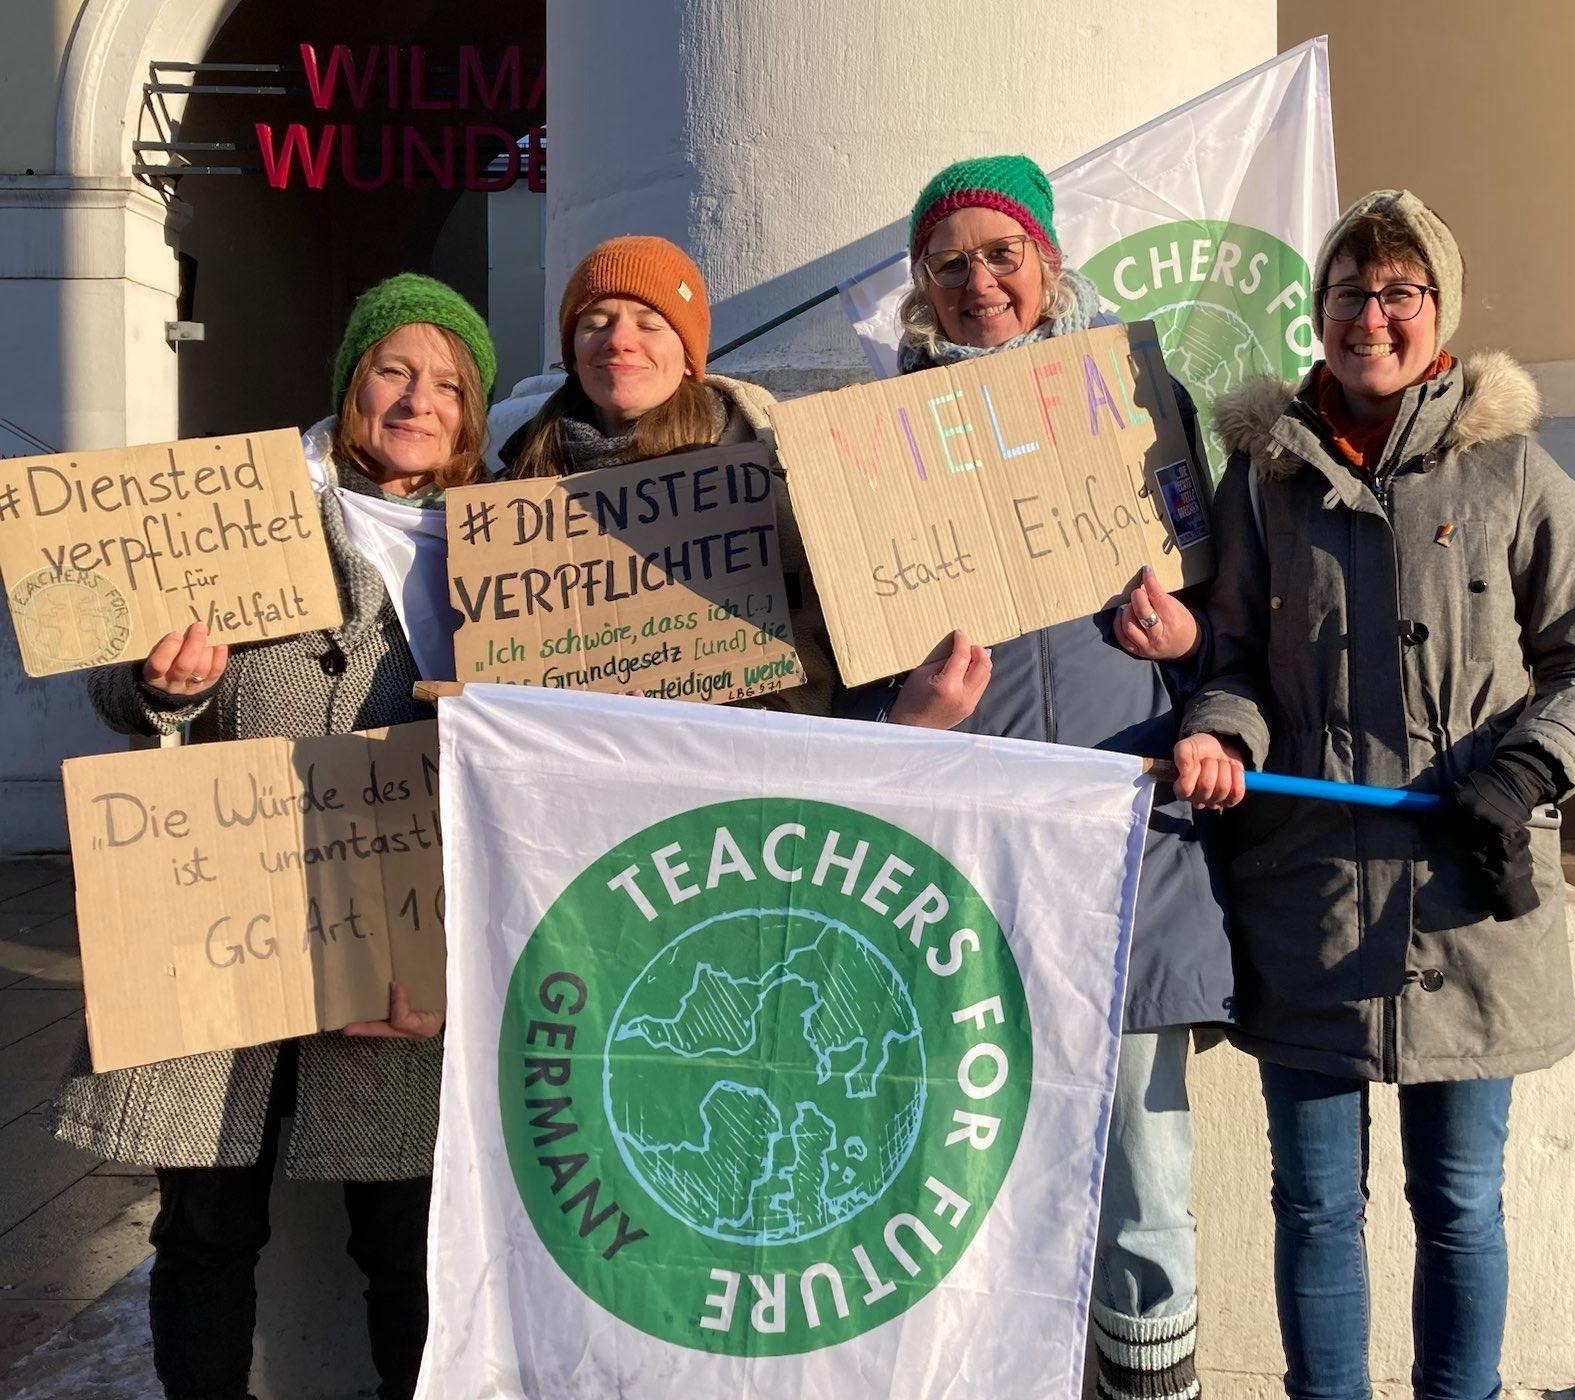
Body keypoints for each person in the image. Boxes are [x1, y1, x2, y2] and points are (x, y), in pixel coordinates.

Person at [1175, 189, 1575, 1400]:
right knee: (1313, 1203)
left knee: (1460, 1198)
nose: (1372, 314)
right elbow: (1235, 663)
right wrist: (1218, 728)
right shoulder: (1262, 480)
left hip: (1473, 894)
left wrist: (1525, 769)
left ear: (1439, 314)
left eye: (1398, 292)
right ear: (1317, 314)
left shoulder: (1515, 467)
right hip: (1308, 891)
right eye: (1348, 292)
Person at [50, 272, 497, 1400]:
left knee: (406, 1241)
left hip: (401, 915)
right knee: (205, 1227)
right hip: (228, 899)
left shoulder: (498, 540)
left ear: (474, 413)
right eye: (394, 368)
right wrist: (163, 684)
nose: (417, 399)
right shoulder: (242, 505)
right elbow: (116, 677)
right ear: (352, 379)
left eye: (448, 382)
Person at [865, 155, 1233, 1400]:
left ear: (1048, 262)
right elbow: (851, 674)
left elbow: (1249, 625)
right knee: (973, 1191)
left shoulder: (1141, 401)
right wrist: (909, 713)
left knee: (1141, 1185)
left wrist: (1190, 646)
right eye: (950, 262)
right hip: (965, 871)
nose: (979, 282)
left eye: (1001, 254)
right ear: (921, 284)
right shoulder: (879, 442)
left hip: (1133, 851)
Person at [502, 233, 833, 712]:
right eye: (595, 323)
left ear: (687, 353)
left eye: (650, 324)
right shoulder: (518, 476)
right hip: (575, 751)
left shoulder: (774, 458)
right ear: (572, 352)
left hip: (744, 751)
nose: (619, 341)